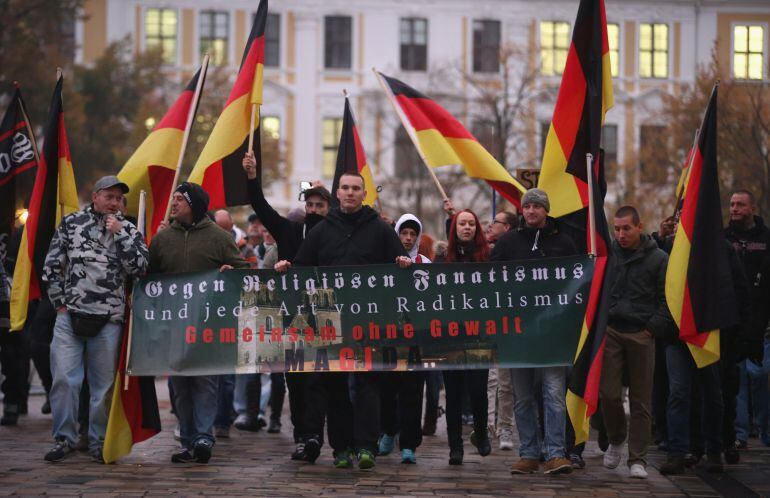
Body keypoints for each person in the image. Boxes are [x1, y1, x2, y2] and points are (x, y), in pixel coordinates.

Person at [275, 172, 410, 470]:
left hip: (368, 321)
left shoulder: (380, 230)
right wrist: (287, 267)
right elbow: (302, 267)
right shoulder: (321, 232)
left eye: (356, 189)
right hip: (329, 321)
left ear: (364, 194)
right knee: (333, 385)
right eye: (345, 188)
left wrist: (403, 263)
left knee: (367, 384)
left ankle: (366, 446)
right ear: (337, 193)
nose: (350, 193)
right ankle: (341, 448)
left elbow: (401, 265)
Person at [41, 176, 148, 463]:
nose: (114, 203)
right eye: (109, 196)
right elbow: (51, 266)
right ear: (95, 196)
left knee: (103, 388)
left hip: (109, 320)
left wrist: (121, 234)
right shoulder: (71, 224)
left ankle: (99, 441)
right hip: (70, 317)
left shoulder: (129, 229)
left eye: (119, 199)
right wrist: (59, 305)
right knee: (64, 379)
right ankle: (64, 438)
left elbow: (140, 269)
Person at [148, 182, 248, 464]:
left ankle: (204, 436)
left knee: (205, 382)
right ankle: (188, 439)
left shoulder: (218, 237)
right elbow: (148, 278)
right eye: (174, 198)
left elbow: (242, 271)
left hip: (207, 325)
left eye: (179, 199)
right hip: (173, 326)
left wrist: (230, 272)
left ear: (193, 204)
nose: (174, 203)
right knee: (180, 386)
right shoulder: (162, 240)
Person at [243, 151, 330, 460]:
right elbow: (261, 208)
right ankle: (301, 437)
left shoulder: (334, 233)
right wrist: (252, 177)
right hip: (293, 318)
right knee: (296, 381)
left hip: (323, 317)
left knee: (317, 381)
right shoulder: (290, 231)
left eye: (321, 205)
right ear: (304, 208)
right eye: (311, 205)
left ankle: (315, 437)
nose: (315, 209)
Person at [490, 188, 577, 475]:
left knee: (553, 394)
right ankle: (528, 452)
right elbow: (489, 280)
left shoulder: (564, 243)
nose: (531, 211)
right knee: (523, 396)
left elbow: (577, 283)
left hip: (553, 334)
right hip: (517, 334)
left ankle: (555, 453)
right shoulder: (508, 242)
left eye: (537, 207)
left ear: (546, 210)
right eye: (526, 207)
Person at [599, 206, 674, 479]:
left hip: (642, 333)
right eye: (616, 229)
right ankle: (617, 438)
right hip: (612, 330)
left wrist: (652, 329)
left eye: (626, 228)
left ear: (639, 226)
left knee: (642, 399)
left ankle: (638, 458)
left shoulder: (659, 259)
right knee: (607, 394)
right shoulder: (608, 255)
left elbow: (668, 300)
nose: (620, 234)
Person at [434, 207, 492, 465]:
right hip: (450, 336)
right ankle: (454, 447)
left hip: (478, 335)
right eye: (462, 224)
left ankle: (480, 433)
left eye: (471, 224)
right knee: (454, 394)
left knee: (479, 391)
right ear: (454, 229)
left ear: (476, 229)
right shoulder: (443, 259)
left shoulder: (487, 258)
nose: (466, 228)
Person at [378, 214, 430, 464]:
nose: (408, 239)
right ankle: (388, 430)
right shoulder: (384, 261)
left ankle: (409, 444)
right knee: (387, 388)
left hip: (415, 337)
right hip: (388, 335)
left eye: (412, 234)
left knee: (412, 390)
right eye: (403, 233)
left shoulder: (425, 263)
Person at [724, 190, 770, 453]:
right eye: (731, 204)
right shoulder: (723, 238)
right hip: (731, 320)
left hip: (760, 322)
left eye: (740, 204)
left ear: (752, 207)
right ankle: (739, 433)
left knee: (760, 373)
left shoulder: (766, 239)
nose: (734, 209)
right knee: (736, 379)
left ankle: (763, 425)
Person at [483, 211, 517, 451]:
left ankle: (506, 425)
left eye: (495, 221)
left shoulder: (520, 249)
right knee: (494, 380)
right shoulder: (486, 250)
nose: (490, 225)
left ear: (507, 228)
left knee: (509, 383)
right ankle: (491, 425)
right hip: (493, 323)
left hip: (517, 323)